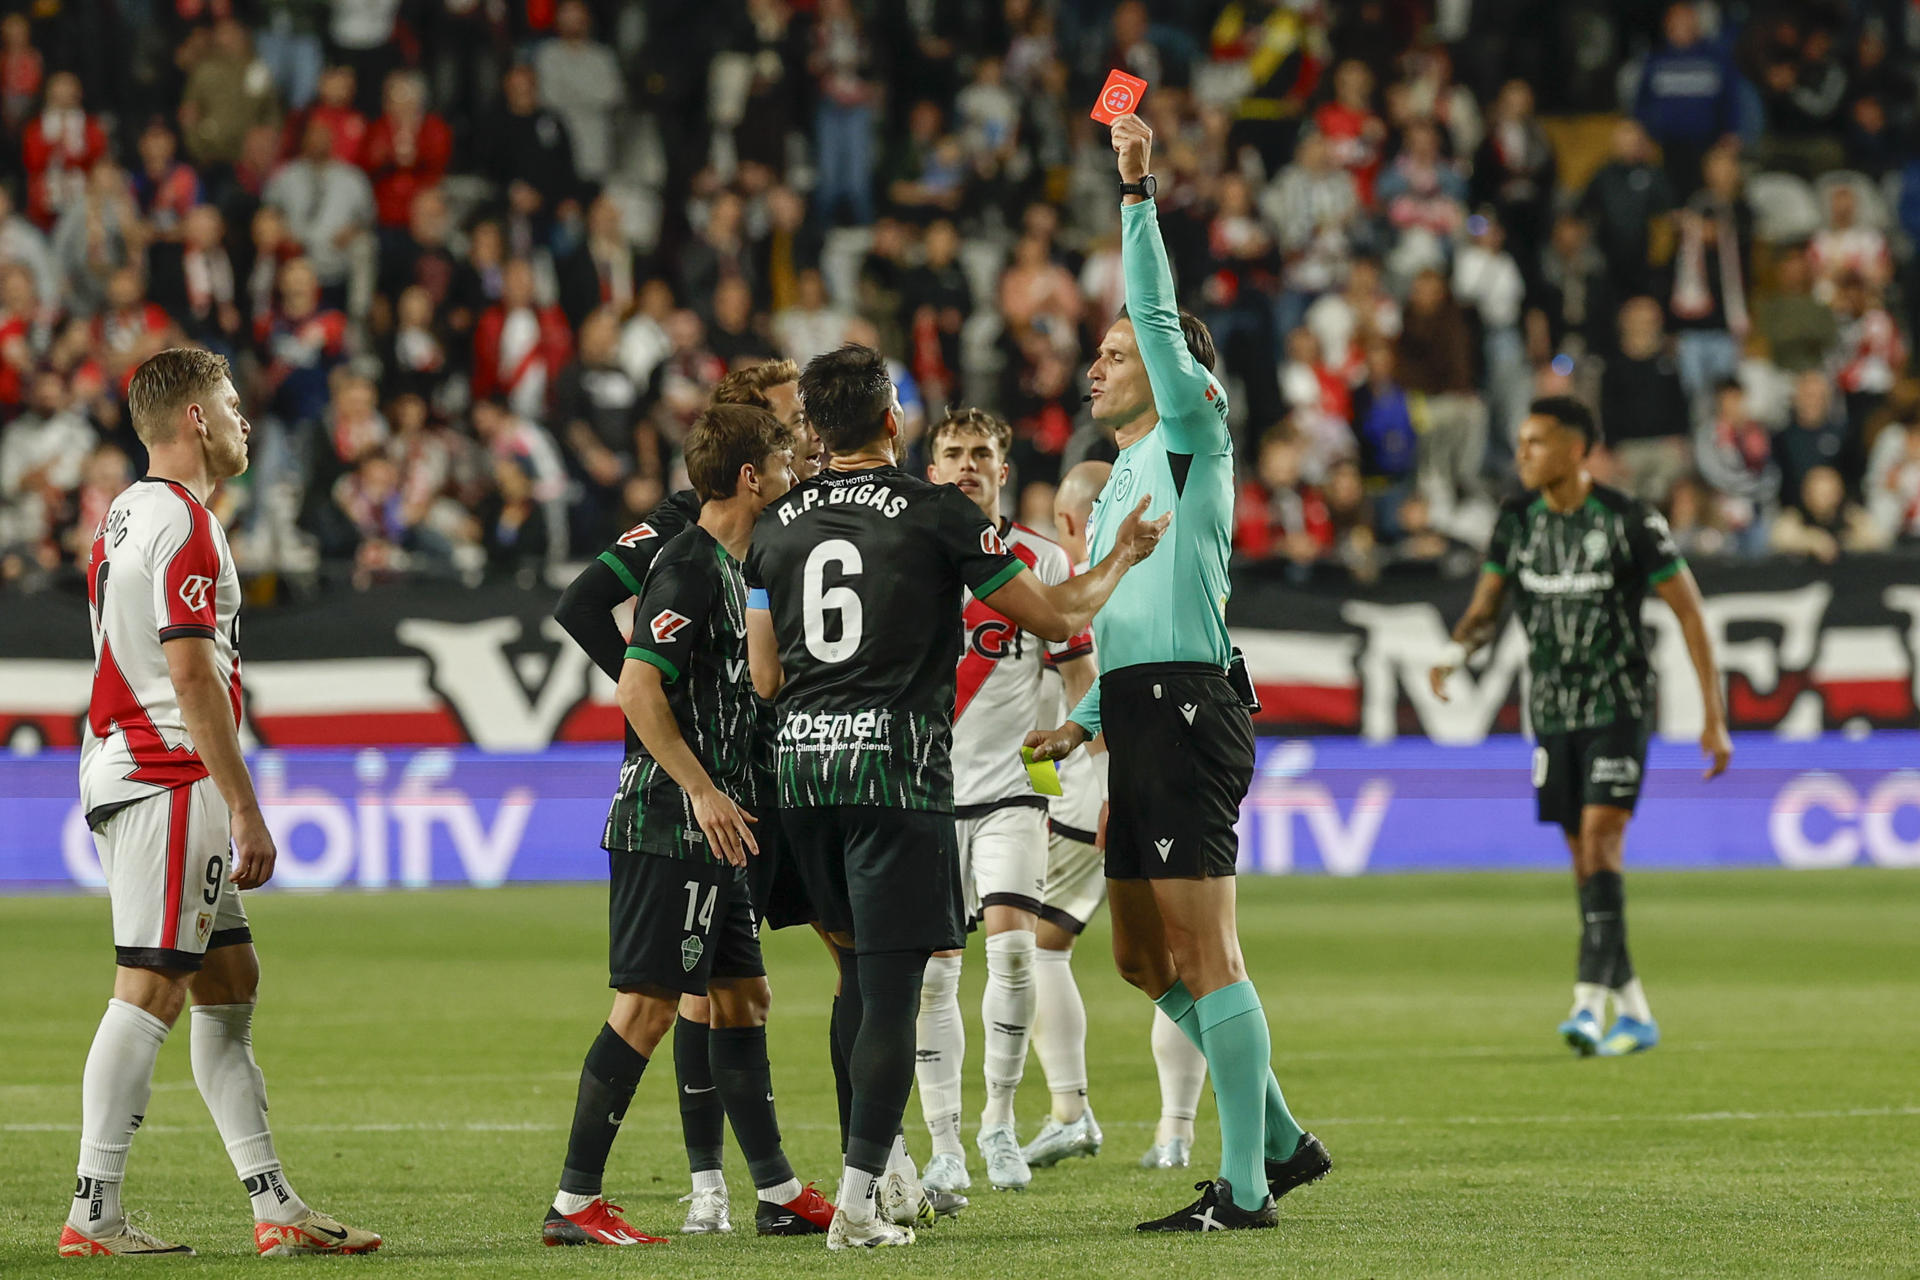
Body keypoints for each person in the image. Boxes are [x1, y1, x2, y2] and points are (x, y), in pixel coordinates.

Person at [745, 343, 1167, 1249]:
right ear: (894, 424)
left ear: (815, 429)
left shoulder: (775, 524)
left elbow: (766, 674)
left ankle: (891, 1167)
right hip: (896, 772)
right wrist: (1124, 553)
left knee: (855, 978)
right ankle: (860, 1204)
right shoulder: (933, 513)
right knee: (900, 986)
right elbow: (1059, 616)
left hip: (800, 774)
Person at [1024, 113, 1330, 1234]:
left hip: (1194, 705)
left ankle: (1247, 1189)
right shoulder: (1118, 481)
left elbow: (1156, 317)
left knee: (1206, 951)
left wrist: (1137, 190)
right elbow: (1128, 615)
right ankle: (1285, 1137)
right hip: (1142, 707)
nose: (1098, 365)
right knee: (1142, 955)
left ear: (1169, 365)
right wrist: (1088, 714)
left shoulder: (1196, 428)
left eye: (1115, 354)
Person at [66, 348, 380, 1257]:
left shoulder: (128, 510)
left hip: (135, 762)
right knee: (151, 984)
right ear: (196, 419)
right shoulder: (188, 527)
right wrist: (244, 806)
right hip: (170, 774)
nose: (245, 418)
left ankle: (274, 1205)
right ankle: (94, 1212)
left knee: (227, 982)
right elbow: (192, 674)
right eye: (233, 403)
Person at [538, 402, 838, 1247]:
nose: (793, 471)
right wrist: (703, 790)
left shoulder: (733, 570)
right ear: (752, 477)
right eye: (784, 459)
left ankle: (776, 1191)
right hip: (675, 822)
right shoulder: (690, 569)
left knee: (743, 998)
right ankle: (573, 1203)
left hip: (720, 826)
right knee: (648, 1006)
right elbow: (637, 686)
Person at [1430, 397, 1732, 1058]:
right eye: (1521, 443)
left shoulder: (1629, 521)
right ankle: (1638, 1013)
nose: (1523, 455)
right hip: (1553, 715)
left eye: (1536, 443)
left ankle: (1587, 1002)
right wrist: (1456, 653)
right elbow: (1487, 607)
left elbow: (1690, 613)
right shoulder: (1516, 521)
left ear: (1575, 449)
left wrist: (1714, 716)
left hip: (1618, 707)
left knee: (1600, 839)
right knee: (1586, 862)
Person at [911, 408, 1100, 1200]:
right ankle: (945, 1144)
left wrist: (1074, 754)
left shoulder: (1042, 560)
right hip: (920, 792)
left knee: (1016, 951)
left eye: (980, 453)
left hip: (1015, 792)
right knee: (932, 978)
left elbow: (1080, 676)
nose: (965, 465)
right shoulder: (908, 556)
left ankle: (998, 1120)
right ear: (931, 470)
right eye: (951, 453)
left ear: (1002, 469)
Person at [1019, 460, 1213, 1172]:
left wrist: (1094, 787)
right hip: (1167, 784)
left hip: (1089, 792)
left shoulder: (1060, 593)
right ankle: (1176, 1130)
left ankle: (1070, 1109)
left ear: (1071, 524)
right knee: (1178, 957)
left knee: (1039, 944)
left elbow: (1085, 700)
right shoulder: (1157, 585)